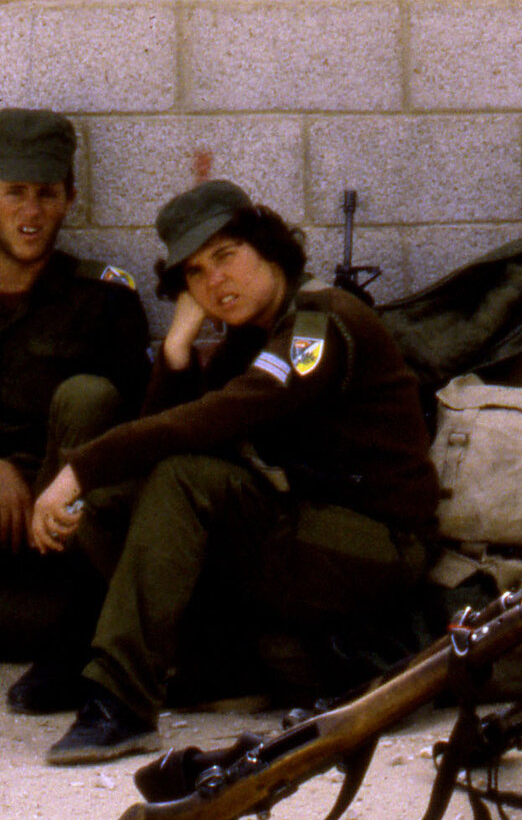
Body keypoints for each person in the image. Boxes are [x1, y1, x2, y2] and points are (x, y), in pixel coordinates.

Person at [28, 180, 440, 765]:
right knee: (111, 502)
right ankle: (216, 668)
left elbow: (216, 417)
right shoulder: (253, 336)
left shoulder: (318, 322)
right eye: (195, 273)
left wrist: (78, 470)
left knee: (184, 478)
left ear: (268, 248)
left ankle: (122, 702)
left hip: (375, 546)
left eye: (226, 256)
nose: (215, 281)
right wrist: (176, 348)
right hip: (301, 530)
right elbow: (165, 434)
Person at [0, 109, 150, 714]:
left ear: (70, 200)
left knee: (89, 395)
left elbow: (136, 428)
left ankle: (70, 642)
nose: (30, 213)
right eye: (14, 193)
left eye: (47, 195)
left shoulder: (105, 297)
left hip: (57, 541)